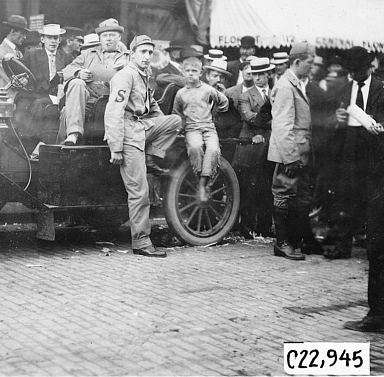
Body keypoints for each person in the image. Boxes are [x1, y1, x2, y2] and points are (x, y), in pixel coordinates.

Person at [105, 35, 181, 258]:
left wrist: (161, 122)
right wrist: (116, 147)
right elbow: (114, 113)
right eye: (143, 52)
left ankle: (152, 156)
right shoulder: (125, 76)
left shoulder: (144, 75)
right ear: (132, 54)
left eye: (150, 53)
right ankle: (141, 241)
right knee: (139, 191)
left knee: (175, 121)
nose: (147, 57)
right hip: (128, 134)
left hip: (143, 128)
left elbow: (152, 105)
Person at [332, 47, 384, 333]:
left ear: (371, 67)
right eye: (352, 71)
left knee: (378, 245)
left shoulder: (383, 89)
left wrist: (381, 128)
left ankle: (378, 315)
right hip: (353, 164)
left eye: (360, 70)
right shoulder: (345, 89)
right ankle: (377, 313)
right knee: (373, 242)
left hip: (379, 168)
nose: (357, 75)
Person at [268, 42, 320, 261]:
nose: (312, 67)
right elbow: (282, 126)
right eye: (309, 63)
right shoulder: (286, 86)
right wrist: (290, 159)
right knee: (283, 194)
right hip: (289, 153)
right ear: (297, 62)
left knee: (300, 197)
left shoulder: (294, 83)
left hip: (300, 152)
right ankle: (282, 244)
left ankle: (295, 241)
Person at [60, 18, 130, 146]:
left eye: (112, 35)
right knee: (76, 83)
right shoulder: (88, 54)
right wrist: (79, 73)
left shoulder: (129, 57)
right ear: (100, 38)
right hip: (89, 102)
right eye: (105, 35)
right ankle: (73, 134)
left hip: (115, 103)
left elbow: (145, 76)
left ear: (119, 37)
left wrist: (128, 69)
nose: (108, 38)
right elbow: (66, 70)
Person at [173, 55, 229, 202]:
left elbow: (223, 101)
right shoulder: (181, 94)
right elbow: (176, 114)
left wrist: (216, 112)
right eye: (188, 71)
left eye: (194, 70)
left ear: (201, 73)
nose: (191, 73)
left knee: (213, 149)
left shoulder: (207, 89)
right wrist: (181, 127)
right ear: (183, 72)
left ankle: (204, 182)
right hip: (192, 129)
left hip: (208, 127)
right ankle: (200, 182)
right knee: (195, 147)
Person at [233, 58, 275, 237]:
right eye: (255, 74)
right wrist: (275, 120)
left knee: (267, 188)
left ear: (268, 75)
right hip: (250, 147)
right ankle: (247, 227)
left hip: (270, 146)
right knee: (249, 188)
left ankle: (264, 228)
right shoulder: (245, 95)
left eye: (261, 74)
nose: (257, 78)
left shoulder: (275, 93)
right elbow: (249, 117)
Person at [22, 24, 74, 159]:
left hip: (57, 96)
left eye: (55, 38)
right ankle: (30, 144)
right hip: (34, 94)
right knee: (29, 105)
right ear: (43, 39)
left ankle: (40, 145)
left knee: (40, 105)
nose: (53, 41)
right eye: (49, 38)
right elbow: (20, 71)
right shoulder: (32, 55)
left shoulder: (67, 57)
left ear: (60, 39)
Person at [0, 15, 30, 98]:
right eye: (22, 33)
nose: (24, 37)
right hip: (6, 100)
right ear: (13, 31)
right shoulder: (0, 54)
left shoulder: (18, 52)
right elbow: (16, 82)